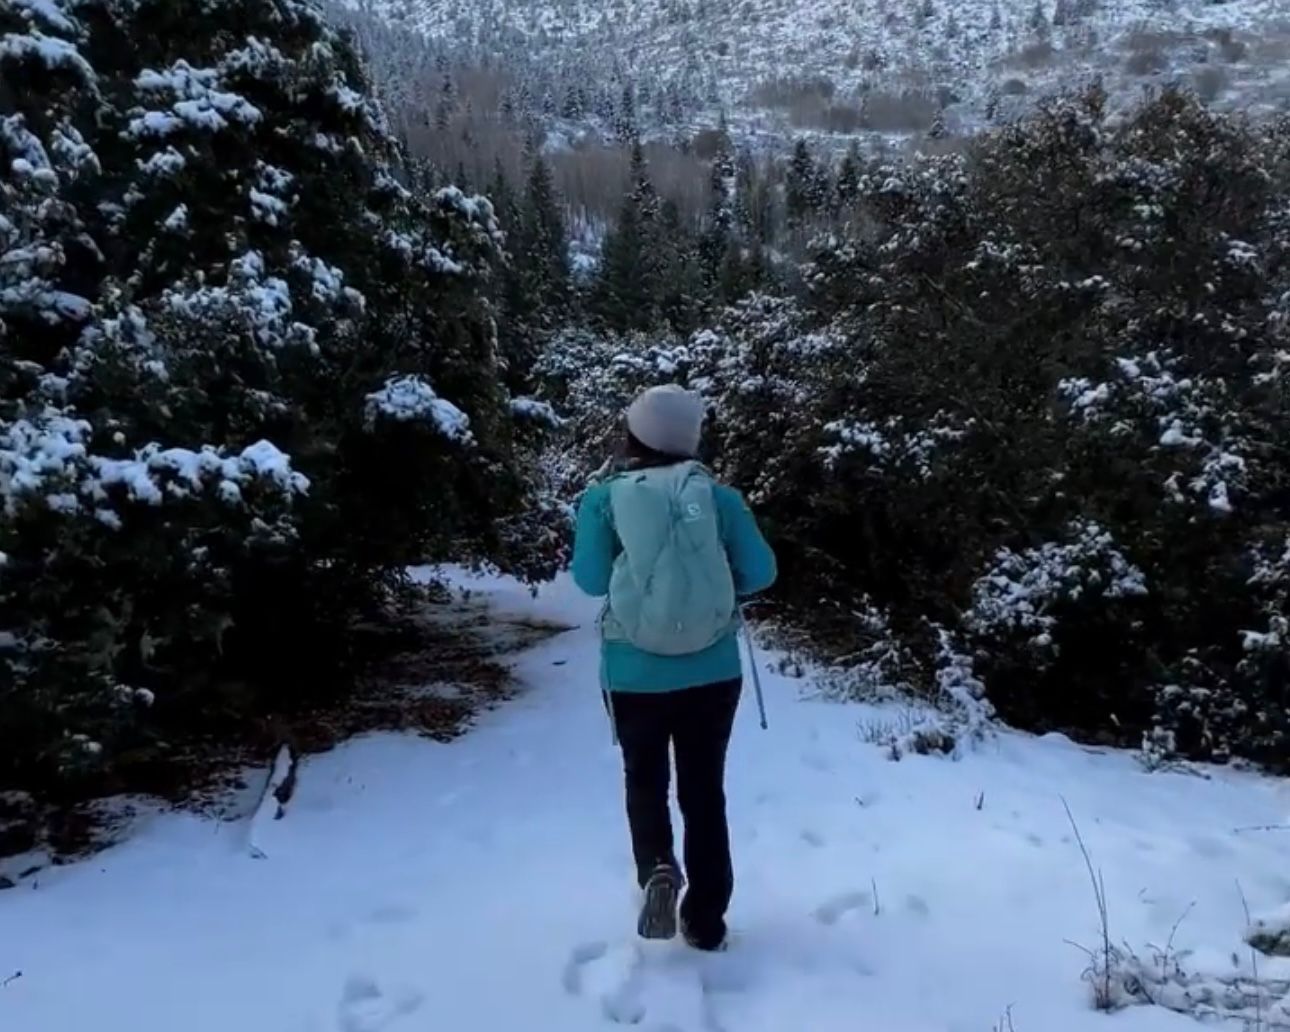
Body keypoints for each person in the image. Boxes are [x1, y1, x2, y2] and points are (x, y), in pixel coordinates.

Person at [570, 384, 777, 952]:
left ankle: (657, 866)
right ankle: (706, 920)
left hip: (633, 672)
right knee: (704, 790)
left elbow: (589, 580)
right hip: (713, 671)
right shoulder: (720, 498)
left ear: (634, 435)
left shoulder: (603, 499)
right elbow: (762, 572)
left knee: (645, 780)